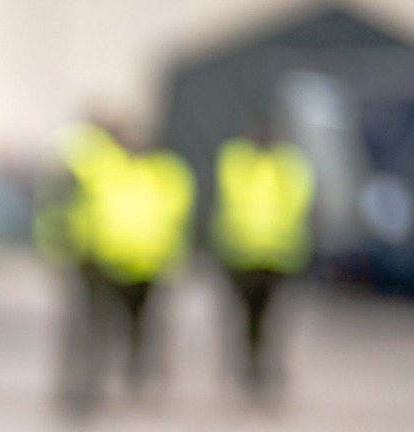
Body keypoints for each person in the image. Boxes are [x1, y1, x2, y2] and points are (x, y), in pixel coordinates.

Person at [33, 119, 194, 414]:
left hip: (146, 264)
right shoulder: (97, 165)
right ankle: (86, 387)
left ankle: (135, 379)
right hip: (99, 261)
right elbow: (64, 178)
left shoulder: (165, 172)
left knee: (139, 330)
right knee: (93, 328)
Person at [209, 131, 315, 398]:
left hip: (278, 258)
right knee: (245, 320)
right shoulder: (238, 163)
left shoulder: (288, 167)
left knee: (273, 323)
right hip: (242, 256)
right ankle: (249, 370)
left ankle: (267, 372)